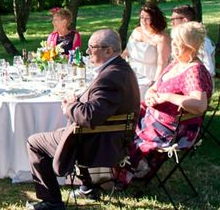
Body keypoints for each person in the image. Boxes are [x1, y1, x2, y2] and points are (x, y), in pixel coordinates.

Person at [26, 29, 140, 210]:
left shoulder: (111, 76)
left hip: (98, 146)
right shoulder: (120, 68)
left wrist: (69, 106)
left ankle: (52, 202)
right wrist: (81, 98)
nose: (87, 52)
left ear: (108, 50)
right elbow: (103, 105)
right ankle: (87, 187)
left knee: (34, 142)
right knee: (58, 133)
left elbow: (90, 116)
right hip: (108, 138)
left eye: (92, 48)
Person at [121, 21, 213, 183]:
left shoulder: (194, 70)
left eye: (179, 44)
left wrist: (168, 97)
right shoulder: (177, 63)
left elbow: (200, 105)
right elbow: (155, 86)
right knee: (124, 121)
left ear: (191, 47)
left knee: (126, 128)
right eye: (174, 43)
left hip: (174, 130)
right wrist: (151, 94)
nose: (174, 47)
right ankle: (128, 166)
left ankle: (125, 171)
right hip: (155, 119)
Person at [122, 3, 171, 85]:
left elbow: (162, 63)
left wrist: (155, 83)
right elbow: (126, 52)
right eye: (141, 17)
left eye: (147, 18)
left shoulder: (161, 38)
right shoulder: (136, 31)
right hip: (131, 74)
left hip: (150, 77)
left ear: (154, 19)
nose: (143, 21)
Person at [170, 5, 215, 76]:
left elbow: (209, 70)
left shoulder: (201, 41)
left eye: (173, 20)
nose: (171, 23)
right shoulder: (179, 40)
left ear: (184, 20)